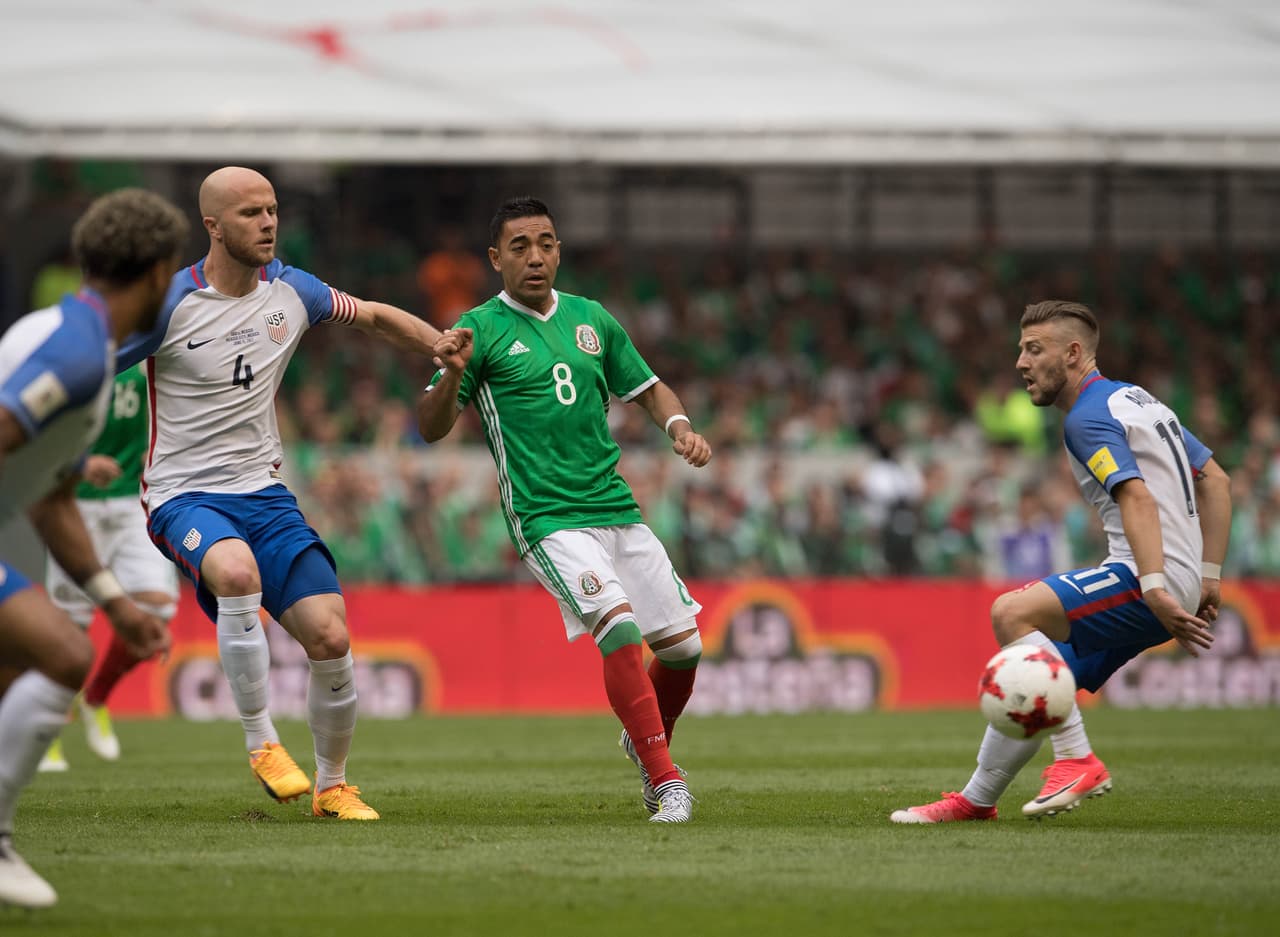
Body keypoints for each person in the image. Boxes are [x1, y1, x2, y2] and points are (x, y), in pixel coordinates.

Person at [117, 166, 457, 822]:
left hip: (266, 496)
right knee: (236, 572)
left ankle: (333, 786)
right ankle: (262, 741)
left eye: (272, 210)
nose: (268, 222)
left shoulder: (293, 289)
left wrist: (438, 345)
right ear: (213, 226)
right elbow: (89, 361)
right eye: (250, 213)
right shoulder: (168, 304)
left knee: (330, 636)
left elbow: (376, 316)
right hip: (182, 494)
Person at [416, 197, 712, 823]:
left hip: (615, 506)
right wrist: (450, 375)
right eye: (519, 246)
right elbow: (430, 426)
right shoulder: (479, 328)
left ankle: (643, 733)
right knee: (620, 628)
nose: (535, 257)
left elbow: (651, 389)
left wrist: (679, 426)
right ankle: (664, 780)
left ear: (559, 250)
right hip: (546, 516)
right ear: (495, 259)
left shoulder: (592, 319)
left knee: (684, 649)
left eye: (545, 243)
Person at [891, 300, 1232, 824]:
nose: (1021, 363)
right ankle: (976, 800)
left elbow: (1136, 498)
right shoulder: (1137, 400)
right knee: (1039, 678)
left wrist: (1157, 586)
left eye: (1034, 349)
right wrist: (1207, 577)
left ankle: (1076, 758)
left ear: (1073, 354)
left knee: (1011, 614)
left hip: (1145, 577)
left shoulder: (1088, 417)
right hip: (1170, 579)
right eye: (1020, 350)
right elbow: (1216, 480)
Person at [0, 189, 181, 908]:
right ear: (162, 272)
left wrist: (115, 602)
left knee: (30, 665)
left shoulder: (85, 342)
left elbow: (49, 497)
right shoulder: (78, 353)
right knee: (64, 655)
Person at [39, 362, 180, 771]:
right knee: (70, 630)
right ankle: (46, 732)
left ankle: (96, 697)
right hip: (76, 501)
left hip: (133, 500)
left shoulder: (153, 344)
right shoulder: (75, 355)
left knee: (155, 611)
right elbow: (37, 429)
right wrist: (80, 465)